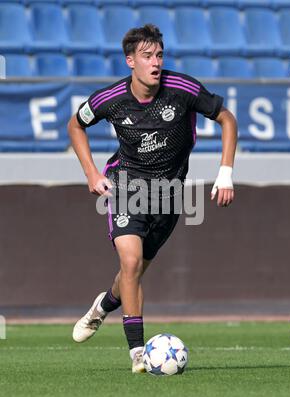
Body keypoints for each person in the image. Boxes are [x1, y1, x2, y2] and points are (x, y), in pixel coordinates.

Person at [67, 24, 237, 373]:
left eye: (159, 55)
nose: (156, 62)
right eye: (147, 56)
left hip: (169, 195)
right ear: (130, 61)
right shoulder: (110, 99)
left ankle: (103, 306)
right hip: (126, 186)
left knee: (133, 273)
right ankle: (137, 354)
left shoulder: (182, 89)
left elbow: (226, 118)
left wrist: (225, 173)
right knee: (130, 263)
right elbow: (75, 124)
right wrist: (91, 173)